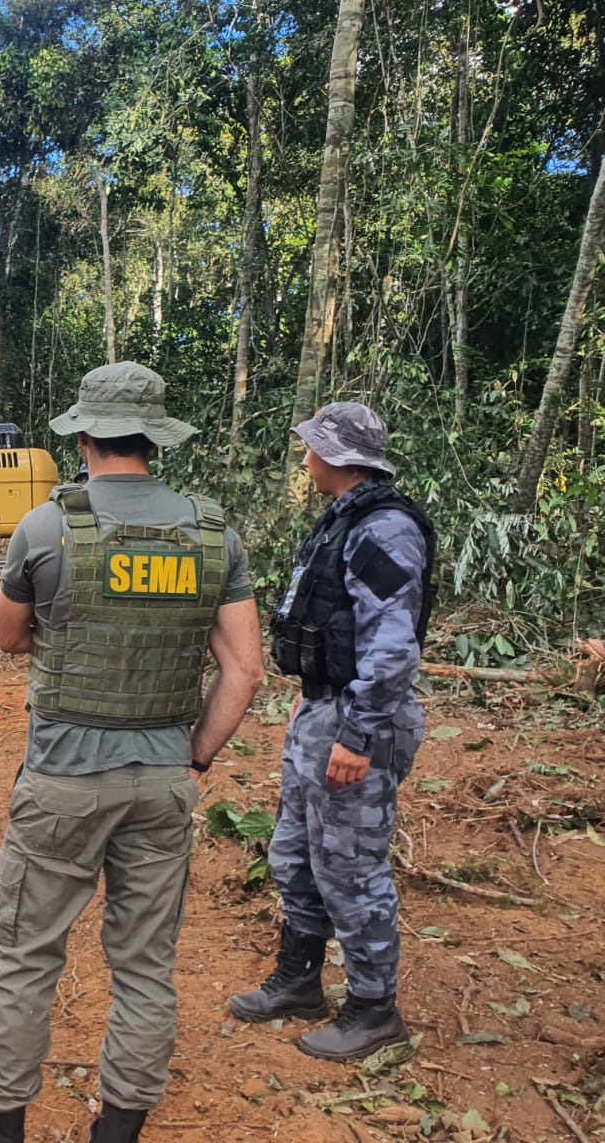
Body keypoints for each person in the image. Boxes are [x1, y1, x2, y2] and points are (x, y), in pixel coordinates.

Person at [0, 362, 263, 1143]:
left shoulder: (46, 528)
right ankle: (116, 1133)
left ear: (83, 437)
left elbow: (9, 636)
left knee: (25, 959)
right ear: (154, 440)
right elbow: (245, 670)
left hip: (61, 779)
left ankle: (0, 1135)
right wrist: (194, 761)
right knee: (146, 967)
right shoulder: (214, 533)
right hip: (162, 780)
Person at [228, 402, 435, 1063]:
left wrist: (358, 735)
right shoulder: (343, 520)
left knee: (350, 866)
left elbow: (392, 649)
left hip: (357, 720)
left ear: (339, 457)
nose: (306, 459)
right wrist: (311, 703)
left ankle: (375, 1012)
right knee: (294, 852)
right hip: (323, 710)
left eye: (313, 449)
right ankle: (299, 981)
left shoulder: (385, 530)